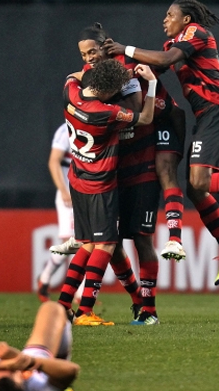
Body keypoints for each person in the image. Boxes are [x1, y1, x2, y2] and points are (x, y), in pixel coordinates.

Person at [103, 0, 219, 286]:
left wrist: (124, 48)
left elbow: (164, 62)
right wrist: (113, 73)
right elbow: (151, 68)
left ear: (186, 18)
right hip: (205, 117)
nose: (164, 20)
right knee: (196, 190)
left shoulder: (196, 33)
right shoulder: (171, 46)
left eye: (170, 15)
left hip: (218, 112)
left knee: (200, 182)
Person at [58, 59, 157, 326]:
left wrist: (92, 73)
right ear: (107, 93)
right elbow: (146, 117)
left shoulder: (70, 92)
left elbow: (72, 74)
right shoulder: (106, 112)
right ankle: (85, 311)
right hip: (100, 185)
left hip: (77, 179)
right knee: (106, 245)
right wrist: (153, 83)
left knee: (87, 243)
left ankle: (63, 304)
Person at [37, 122, 84, 304]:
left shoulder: (94, 126)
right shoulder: (66, 130)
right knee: (73, 243)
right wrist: (63, 190)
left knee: (87, 242)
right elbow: (53, 160)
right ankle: (47, 279)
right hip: (68, 194)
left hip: (86, 193)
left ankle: (80, 295)